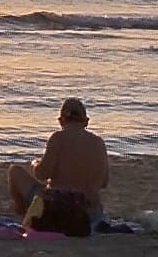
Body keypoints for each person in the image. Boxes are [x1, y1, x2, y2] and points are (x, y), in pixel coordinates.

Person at [9, 101, 111, 237]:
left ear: (61, 121)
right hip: (90, 212)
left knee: (14, 171)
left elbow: (42, 174)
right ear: (86, 121)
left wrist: (35, 164)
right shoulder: (99, 142)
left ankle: (22, 213)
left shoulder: (58, 138)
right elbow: (104, 182)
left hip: (59, 207)